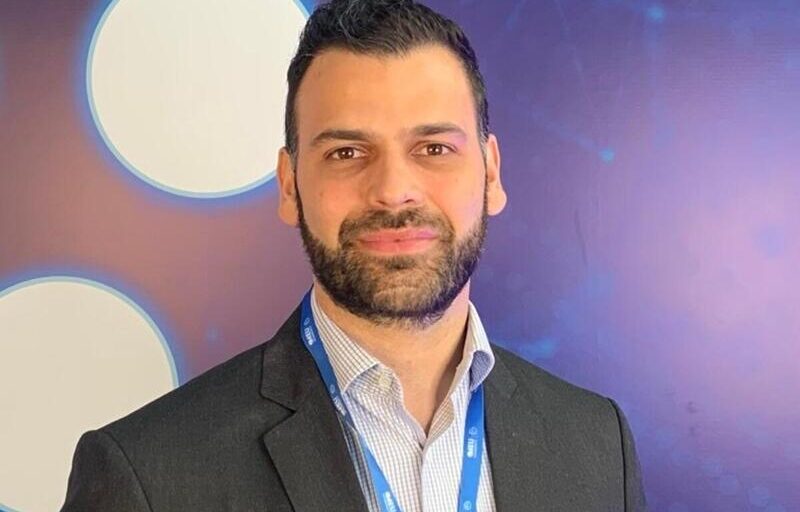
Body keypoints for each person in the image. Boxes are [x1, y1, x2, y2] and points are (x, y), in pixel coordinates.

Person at [61, 1, 647, 510]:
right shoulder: (149, 475)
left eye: (434, 148)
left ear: (491, 174)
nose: (393, 190)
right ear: (289, 186)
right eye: (346, 153)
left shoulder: (597, 443)